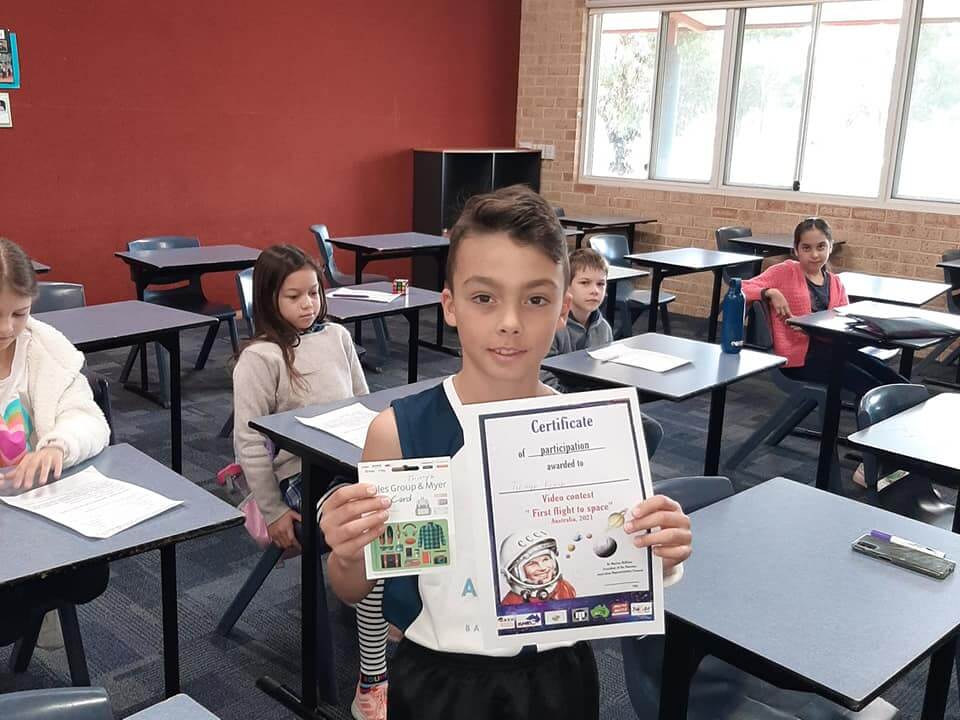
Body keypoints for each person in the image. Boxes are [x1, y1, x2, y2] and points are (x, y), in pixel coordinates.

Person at [319, 185, 692, 720]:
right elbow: (357, 587)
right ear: (450, 306)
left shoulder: (591, 436)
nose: (511, 321)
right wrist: (348, 552)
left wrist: (660, 551)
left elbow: (613, 563)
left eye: (535, 299)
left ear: (563, 310)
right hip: (439, 681)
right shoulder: (400, 434)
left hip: (560, 677)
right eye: (484, 298)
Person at [231, 244, 388, 720]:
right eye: (294, 296)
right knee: (368, 533)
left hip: (353, 460)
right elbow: (249, 442)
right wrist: (274, 511)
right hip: (303, 476)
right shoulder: (260, 358)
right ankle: (373, 678)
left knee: (418, 512)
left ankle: (394, 619)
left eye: (314, 293)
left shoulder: (337, 336)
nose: (308, 304)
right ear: (268, 299)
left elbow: (365, 402)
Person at [0, 237, 112, 651]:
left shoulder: (45, 349)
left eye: (20, 313)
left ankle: (30, 604)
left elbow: (89, 420)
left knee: (89, 575)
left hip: (32, 510)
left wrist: (56, 446)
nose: (6, 329)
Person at [741, 217, 907, 485]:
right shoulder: (785, 271)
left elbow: (842, 321)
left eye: (821, 247)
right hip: (799, 360)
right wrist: (770, 291)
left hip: (832, 350)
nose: (814, 254)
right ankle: (871, 464)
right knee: (870, 390)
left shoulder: (835, 282)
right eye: (806, 248)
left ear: (830, 247)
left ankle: (894, 453)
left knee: (897, 385)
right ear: (796, 249)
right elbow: (741, 287)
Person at [541, 247, 613, 390]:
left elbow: (607, 372)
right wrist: (572, 399)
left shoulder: (604, 328)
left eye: (600, 284)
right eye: (585, 283)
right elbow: (542, 374)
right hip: (559, 397)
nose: (595, 291)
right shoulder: (553, 327)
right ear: (566, 286)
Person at [499, 529, 576, 605]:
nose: (542, 568)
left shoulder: (563, 587)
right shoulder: (511, 604)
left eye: (545, 559)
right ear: (515, 573)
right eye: (532, 563)